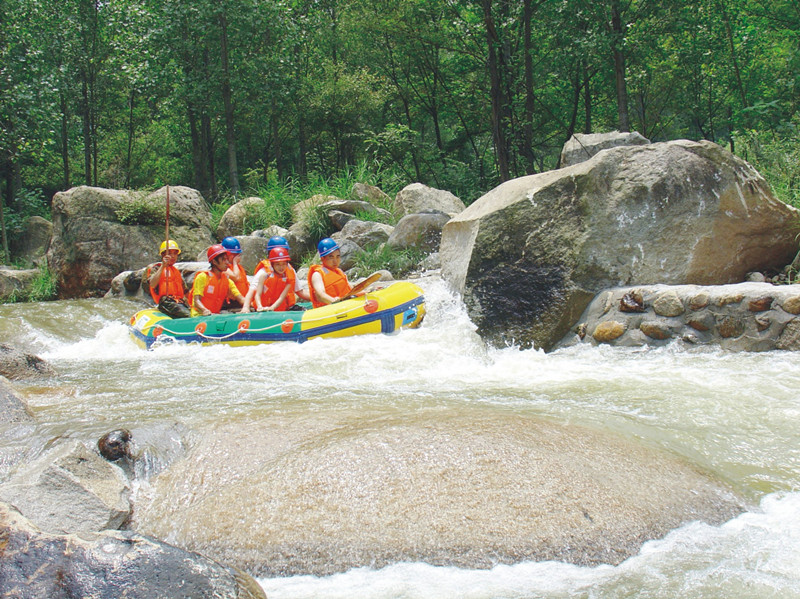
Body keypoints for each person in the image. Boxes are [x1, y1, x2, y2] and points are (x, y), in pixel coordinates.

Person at [191, 244, 246, 317]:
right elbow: (197, 300)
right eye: (223, 259)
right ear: (214, 261)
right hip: (199, 316)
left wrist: (250, 306)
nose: (227, 262)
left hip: (214, 316)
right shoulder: (202, 277)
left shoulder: (227, 280)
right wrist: (204, 310)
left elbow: (240, 298)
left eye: (227, 259)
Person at [253, 235, 311, 302]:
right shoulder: (263, 272)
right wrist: (247, 305)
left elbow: (300, 292)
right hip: (267, 306)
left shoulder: (289, 269)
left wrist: (317, 298)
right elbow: (252, 292)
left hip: (286, 306)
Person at [146, 240, 191, 318]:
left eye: (175, 253)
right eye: (170, 253)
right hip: (166, 302)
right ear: (163, 255)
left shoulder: (176, 272)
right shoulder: (157, 268)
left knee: (194, 313)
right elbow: (152, 284)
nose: (173, 256)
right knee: (188, 315)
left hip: (179, 302)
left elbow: (186, 292)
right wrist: (163, 265)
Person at [243, 247, 297, 312]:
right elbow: (258, 294)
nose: (281, 267)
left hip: (277, 309)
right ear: (272, 264)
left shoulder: (288, 280)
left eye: (284, 264)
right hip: (261, 308)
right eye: (277, 264)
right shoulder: (264, 276)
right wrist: (259, 306)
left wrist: (272, 308)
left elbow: (281, 298)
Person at [308, 238, 352, 308]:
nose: (335, 261)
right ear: (322, 258)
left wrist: (367, 291)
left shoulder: (339, 271)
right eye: (331, 257)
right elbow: (320, 295)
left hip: (344, 304)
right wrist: (334, 301)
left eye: (337, 257)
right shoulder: (317, 275)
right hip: (329, 309)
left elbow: (350, 288)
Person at [221, 236, 249, 307]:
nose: (235, 257)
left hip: (242, 300)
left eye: (237, 254)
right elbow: (235, 277)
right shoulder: (223, 267)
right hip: (232, 302)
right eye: (233, 254)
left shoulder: (239, 267)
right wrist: (235, 263)